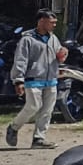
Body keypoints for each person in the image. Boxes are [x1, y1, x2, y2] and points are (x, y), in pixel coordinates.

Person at [5, 8, 65, 149]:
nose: (54, 25)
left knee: (47, 110)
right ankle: (14, 127)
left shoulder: (53, 38)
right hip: (33, 79)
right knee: (33, 106)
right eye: (52, 22)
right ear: (41, 21)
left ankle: (39, 139)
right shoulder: (27, 40)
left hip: (51, 79)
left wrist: (62, 54)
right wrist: (18, 80)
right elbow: (21, 60)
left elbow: (58, 53)